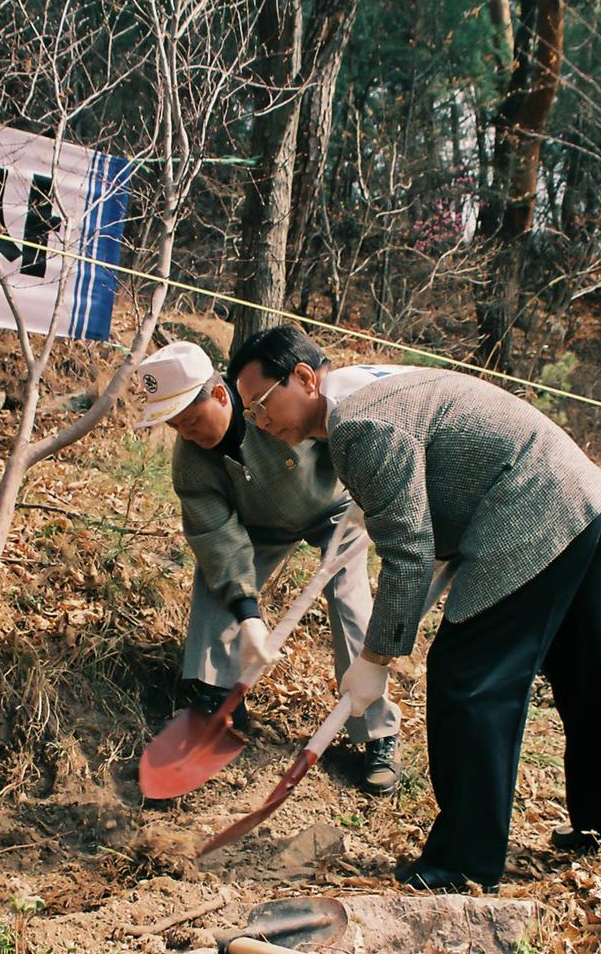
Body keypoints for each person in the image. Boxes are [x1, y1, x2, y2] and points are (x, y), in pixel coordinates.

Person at [229, 325, 601, 893]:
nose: (259, 421)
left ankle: (463, 863)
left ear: (303, 377)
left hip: (529, 506)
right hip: (577, 491)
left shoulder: (358, 423)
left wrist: (375, 657)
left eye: (260, 403)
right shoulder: (362, 388)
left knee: (468, 678)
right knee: (587, 670)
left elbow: (410, 551)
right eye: (249, 411)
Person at [135, 339, 402, 796]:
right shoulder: (192, 460)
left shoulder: (273, 406)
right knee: (215, 582)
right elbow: (216, 536)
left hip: (334, 509)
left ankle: (378, 733)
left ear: (220, 395)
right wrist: (248, 614)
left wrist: (369, 492)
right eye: (177, 427)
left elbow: (337, 429)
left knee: (350, 603)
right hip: (258, 527)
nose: (189, 434)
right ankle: (217, 700)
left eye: (193, 420)